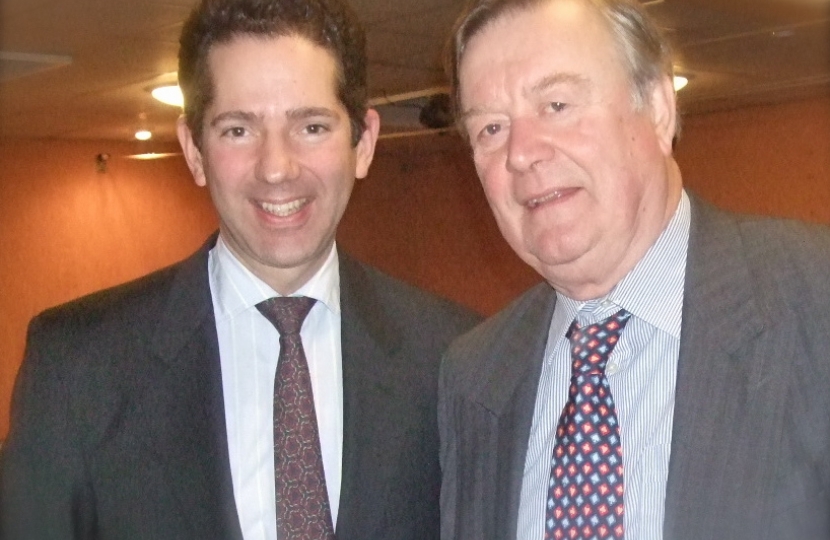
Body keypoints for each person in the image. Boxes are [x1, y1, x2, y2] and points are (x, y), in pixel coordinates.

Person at [0, 0, 480, 538]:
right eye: (237, 131)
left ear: (363, 143)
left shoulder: (456, 357)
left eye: (312, 126)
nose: (277, 168)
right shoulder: (78, 364)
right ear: (195, 151)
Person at [438, 0, 830, 538]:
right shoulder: (475, 375)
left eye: (556, 104)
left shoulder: (814, 300)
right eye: (490, 129)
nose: (521, 154)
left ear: (659, 107)